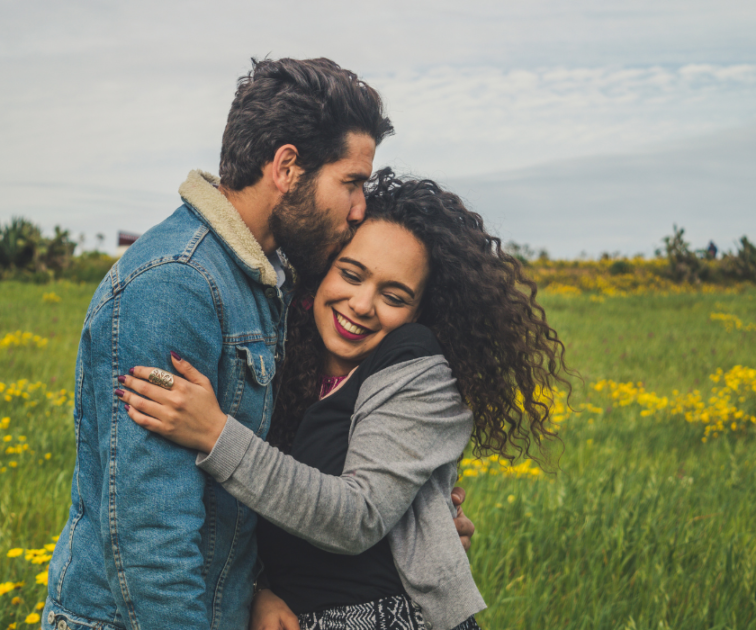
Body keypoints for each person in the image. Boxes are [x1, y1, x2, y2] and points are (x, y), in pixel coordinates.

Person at [42, 59, 474, 630]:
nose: (360, 206)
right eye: (351, 182)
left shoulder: (267, 279)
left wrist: (257, 589)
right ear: (288, 168)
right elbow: (152, 536)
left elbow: (236, 504)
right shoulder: (178, 284)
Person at [118, 170, 569, 630]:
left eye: (393, 295)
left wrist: (214, 433)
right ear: (320, 271)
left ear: (420, 312)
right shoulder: (279, 358)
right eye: (351, 274)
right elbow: (248, 509)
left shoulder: (419, 368)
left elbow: (357, 517)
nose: (361, 304)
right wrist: (257, 588)